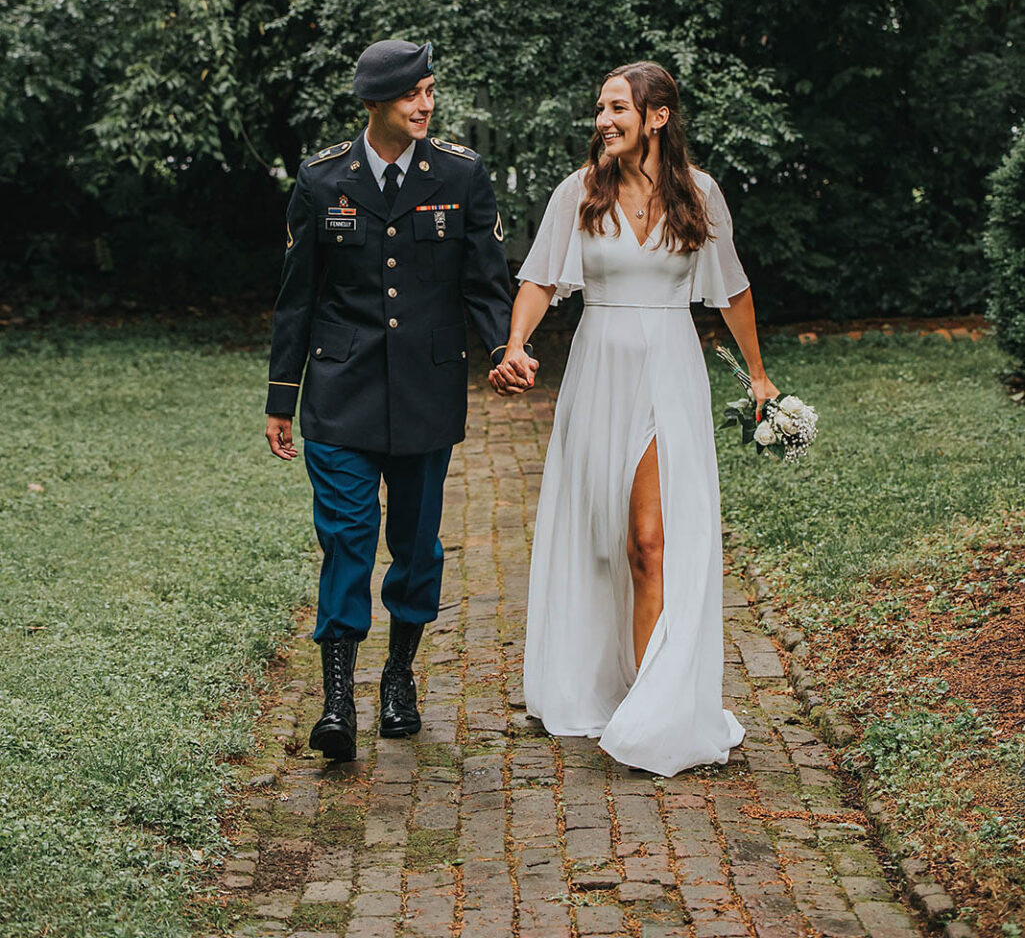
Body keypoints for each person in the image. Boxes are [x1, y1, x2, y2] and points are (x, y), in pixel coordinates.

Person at [490, 61, 777, 775]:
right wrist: (516, 343)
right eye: (599, 108)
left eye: (617, 107)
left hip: (669, 369)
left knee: (651, 542)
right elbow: (539, 278)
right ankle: (604, 683)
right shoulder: (578, 191)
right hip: (599, 368)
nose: (602, 120)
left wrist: (760, 375)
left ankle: (653, 705)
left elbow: (731, 291)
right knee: (600, 539)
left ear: (655, 116)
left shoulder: (698, 193)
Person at [265, 39, 527, 760]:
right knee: (346, 541)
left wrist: (507, 348)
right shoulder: (322, 182)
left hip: (425, 393)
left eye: (430, 91)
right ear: (374, 102)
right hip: (339, 396)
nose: (424, 105)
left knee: (414, 548)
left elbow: (483, 282)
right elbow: (298, 301)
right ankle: (337, 702)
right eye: (411, 95)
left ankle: (400, 678)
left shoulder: (461, 175)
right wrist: (279, 397)